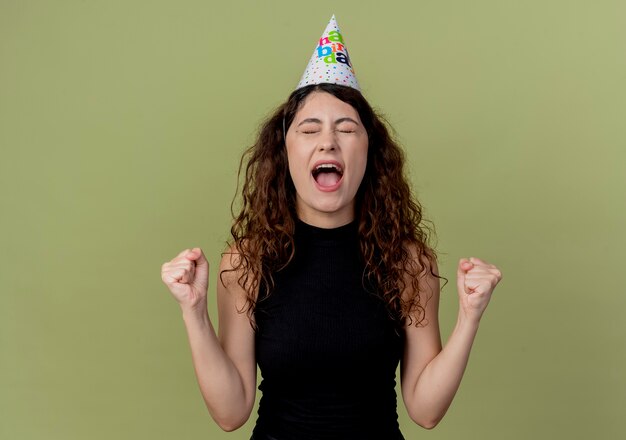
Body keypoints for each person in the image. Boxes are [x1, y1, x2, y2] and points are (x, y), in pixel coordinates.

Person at [160, 16, 502, 440]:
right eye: (309, 129)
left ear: (369, 152)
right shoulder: (246, 263)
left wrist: (469, 318)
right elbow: (231, 413)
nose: (328, 142)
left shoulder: (408, 262)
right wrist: (193, 313)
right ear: (284, 152)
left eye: (346, 129)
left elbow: (425, 409)